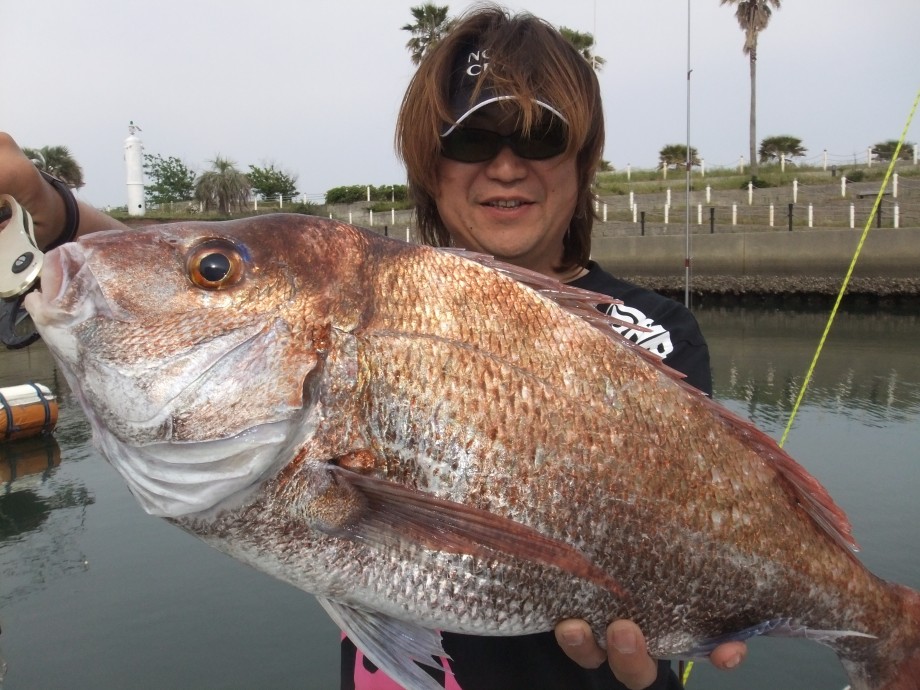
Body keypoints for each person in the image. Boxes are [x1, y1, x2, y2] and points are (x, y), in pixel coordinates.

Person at [0, 5, 746, 688]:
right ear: (428, 163)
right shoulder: (363, 292)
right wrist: (48, 207)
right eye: (471, 139)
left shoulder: (654, 334)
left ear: (584, 157)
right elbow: (191, 296)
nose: (506, 165)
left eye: (539, 137)